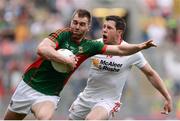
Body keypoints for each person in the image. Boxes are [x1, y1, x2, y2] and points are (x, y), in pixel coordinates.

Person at [4, 9, 156, 120]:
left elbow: (121, 50)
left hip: (49, 94)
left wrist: (140, 47)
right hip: (28, 86)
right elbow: (42, 49)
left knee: (46, 118)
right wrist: (66, 60)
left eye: (82, 24)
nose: (77, 27)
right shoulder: (62, 34)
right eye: (75, 22)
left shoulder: (90, 46)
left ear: (88, 27)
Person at [68, 16, 172, 120]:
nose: (104, 30)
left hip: (107, 101)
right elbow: (72, 57)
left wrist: (167, 96)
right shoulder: (94, 45)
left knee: (91, 119)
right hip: (86, 98)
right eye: (104, 26)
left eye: (109, 28)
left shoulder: (132, 52)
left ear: (119, 32)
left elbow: (151, 74)